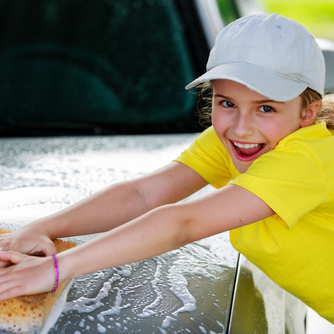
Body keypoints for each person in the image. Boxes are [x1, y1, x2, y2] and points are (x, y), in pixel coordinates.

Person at [0, 13, 334, 324]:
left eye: (266, 108)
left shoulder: (308, 158)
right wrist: (42, 227)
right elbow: (144, 194)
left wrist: (59, 269)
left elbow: (184, 224)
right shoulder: (239, 141)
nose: (241, 127)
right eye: (227, 103)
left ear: (308, 112)